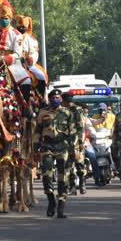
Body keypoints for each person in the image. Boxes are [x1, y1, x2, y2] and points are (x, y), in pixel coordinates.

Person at [34, 89, 79, 219]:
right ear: (49, 98)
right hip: (47, 146)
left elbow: (73, 132)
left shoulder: (67, 113)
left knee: (63, 177)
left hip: (63, 146)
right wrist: (35, 148)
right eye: (53, 97)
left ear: (61, 99)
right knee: (46, 175)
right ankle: (51, 201)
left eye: (58, 97)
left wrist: (75, 149)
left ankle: (61, 205)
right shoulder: (43, 113)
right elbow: (37, 131)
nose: (55, 99)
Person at [15, 15, 47, 104]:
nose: (21, 28)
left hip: (26, 63)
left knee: (41, 75)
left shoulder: (31, 39)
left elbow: (34, 52)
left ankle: (41, 98)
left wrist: (31, 59)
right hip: (12, 61)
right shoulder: (12, 35)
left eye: (23, 27)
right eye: (19, 27)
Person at [67, 97, 88, 195]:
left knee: (80, 164)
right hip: (66, 143)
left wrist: (80, 143)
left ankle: (82, 184)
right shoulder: (63, 109)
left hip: (77, 142)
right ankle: (72, 187)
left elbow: (81, 127)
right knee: (69, 167)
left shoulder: (77, 110)